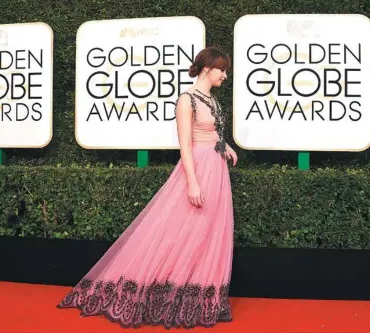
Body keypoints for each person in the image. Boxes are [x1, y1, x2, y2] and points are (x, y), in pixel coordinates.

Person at [57, 46, 238, 329]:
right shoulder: (186, 101)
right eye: (222, 70)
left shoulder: (211, 100)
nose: (225, 75)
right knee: (182, 230)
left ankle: (201, 293)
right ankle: (164, 289)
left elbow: (213, 132)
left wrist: (225, 146)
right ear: (206, 68)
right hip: (199, 169)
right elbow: (185, 146)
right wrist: (192, 182)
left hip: (217, 170)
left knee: (210, 231)